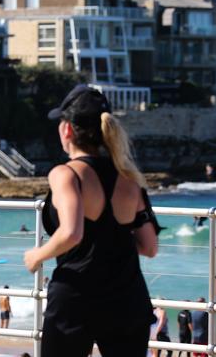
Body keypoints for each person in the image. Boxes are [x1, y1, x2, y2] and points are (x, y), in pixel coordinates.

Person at [22, 86, 160, 356]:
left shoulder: (66, 174)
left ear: (67, 130)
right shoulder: (130, 178)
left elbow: (72, 233)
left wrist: (37, 256)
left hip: (76, 297)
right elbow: (149, 247)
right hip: (126, 297)